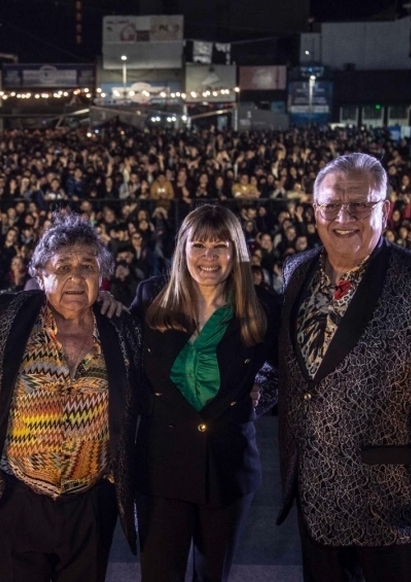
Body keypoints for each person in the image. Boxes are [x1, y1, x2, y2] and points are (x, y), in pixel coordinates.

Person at [274, 153, 411, 582]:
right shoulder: (295, 272)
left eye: (359, 204)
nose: (342, 216)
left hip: (398, 509)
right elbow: (293, 367)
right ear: (314, 210)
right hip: (316, 499)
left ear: (385, 210)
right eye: (330, 205)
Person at [0, 211, 141, 582]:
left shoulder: (122, 329)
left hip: (91, 504)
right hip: (16, 499)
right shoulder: (4, 317)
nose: (76, 278)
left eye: (87, 267)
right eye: (62, 267)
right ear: (40, 274)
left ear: (101, 275)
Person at [129, 204, 279, 582]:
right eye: (198, 245)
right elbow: (123, 362)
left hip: (228, 469)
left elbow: (291, 370)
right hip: (160, 468)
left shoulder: (262, 307)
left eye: (220, 246)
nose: (208, 257)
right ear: (182, 249)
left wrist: (262, 388)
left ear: (236, 252)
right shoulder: (150, 298)